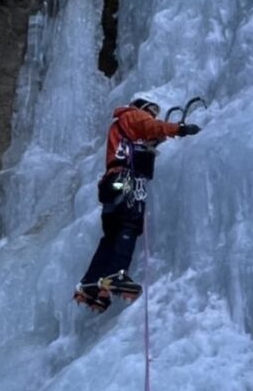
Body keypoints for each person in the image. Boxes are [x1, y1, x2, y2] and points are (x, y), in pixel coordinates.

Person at [74, 96, 201, 312]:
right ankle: (116, 275)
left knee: (111, 236)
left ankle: (91, 284)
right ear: (142, 108)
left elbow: (140, 140)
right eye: (151, 110)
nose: (152, 114)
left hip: (111, 184)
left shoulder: (121, 130)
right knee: (129, 224)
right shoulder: (133, 115)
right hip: (125, 181)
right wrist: (180, 129)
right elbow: (151, 126)